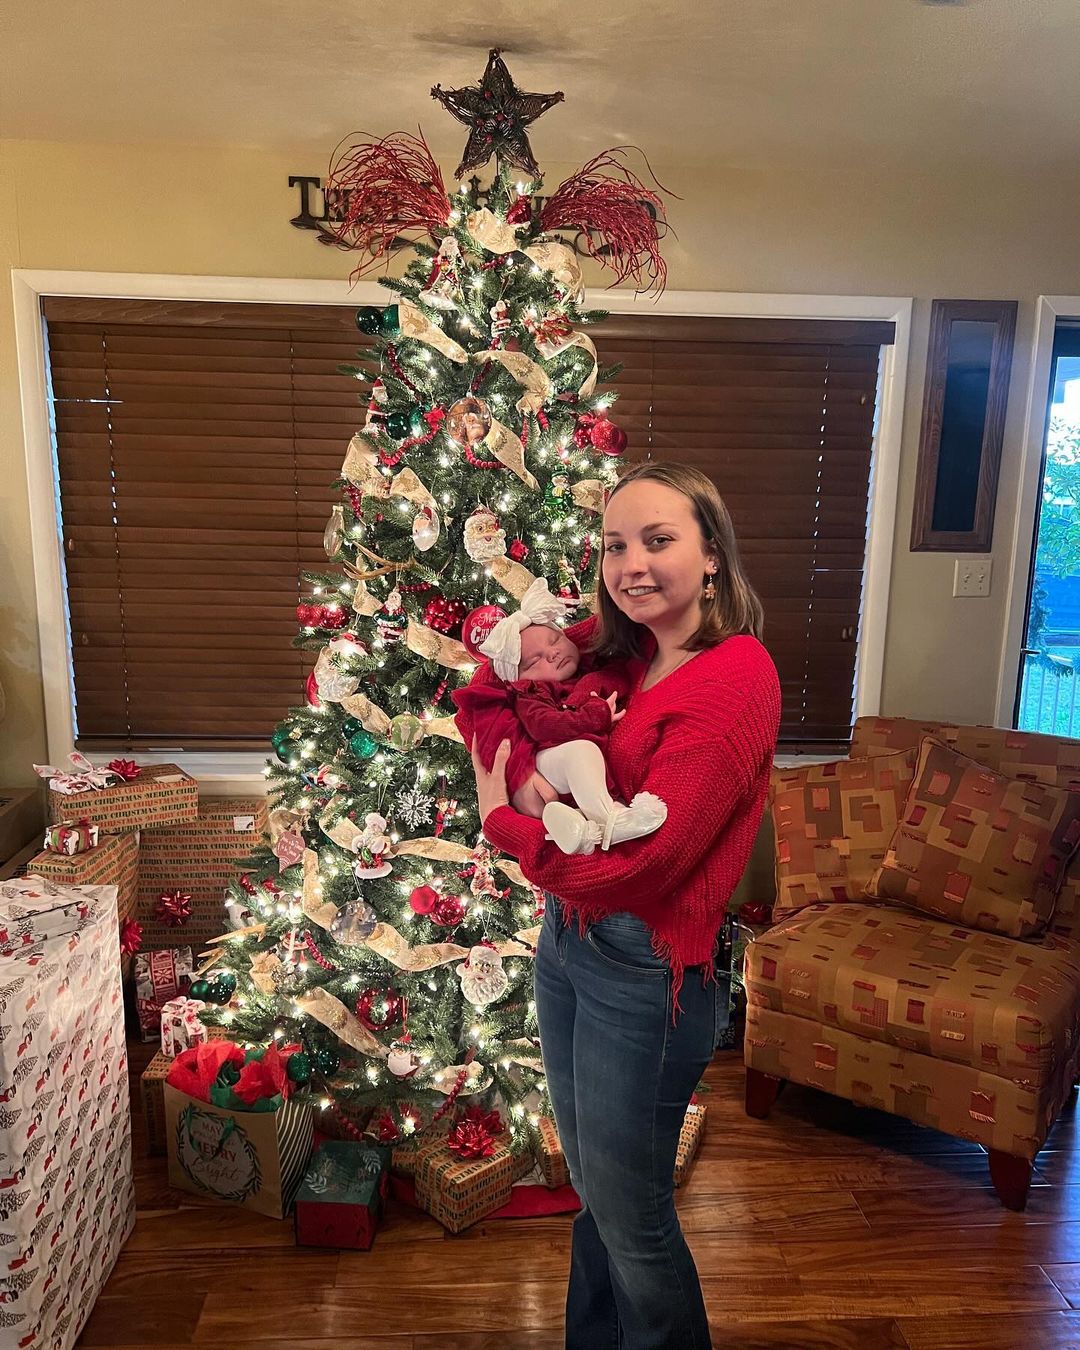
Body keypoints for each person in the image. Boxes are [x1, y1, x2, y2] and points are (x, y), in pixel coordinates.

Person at [465, 461, 781, 1350]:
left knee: (632, 1215)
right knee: (595, 1197)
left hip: (647, 971)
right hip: (568, 943)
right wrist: (522, 769)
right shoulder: (626, 648)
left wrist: (505, 820)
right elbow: (498, 673)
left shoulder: (734, 677)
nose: (630, 564)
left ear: (712, 555)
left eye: (658, 540)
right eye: (613, 545)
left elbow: (644, 869)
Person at [453, 575, 668, 855]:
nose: (553, 654)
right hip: (548, 763)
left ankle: (580, 828)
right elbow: (544, 725)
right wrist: (595, 715)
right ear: (517, 679)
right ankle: (610, 819)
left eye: (555, 639)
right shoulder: (530, 693)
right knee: (581, 752)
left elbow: (615, 673)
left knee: (584, 761)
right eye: (535, 660)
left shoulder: (592, 668)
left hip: (566, 777)